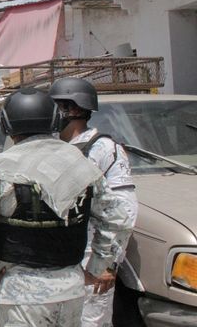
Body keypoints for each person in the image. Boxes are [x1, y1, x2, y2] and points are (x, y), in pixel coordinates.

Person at [0, 88, 132, 326]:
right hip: (72, 290)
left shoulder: (0, 170)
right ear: (55, 120)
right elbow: (118, 218)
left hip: (21, 295)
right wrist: (98, 267)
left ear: (6, 125)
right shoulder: (79, 163)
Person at [50, 78, 138, 327]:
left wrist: (108, 263)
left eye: (56, 106)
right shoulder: (53, 148)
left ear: (74, 109)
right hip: (59, 258)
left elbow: (125, 209)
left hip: (92, 257)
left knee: (91, 321)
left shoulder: (103, 148)